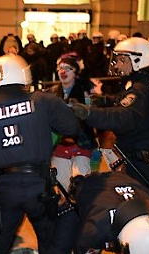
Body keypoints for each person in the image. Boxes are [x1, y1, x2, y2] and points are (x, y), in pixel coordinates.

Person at [0, 54, 81, 254]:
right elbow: (72, 127)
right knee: (49, 243)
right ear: (23, 74)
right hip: (38, 186)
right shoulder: (43, 100)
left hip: (4, 189)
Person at [71, 37, 149, 206]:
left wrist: (88, 113)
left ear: (138, 61)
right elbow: (138, 107)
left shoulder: (141, 89)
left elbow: (124, 117)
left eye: (122, 60)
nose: (117, 65)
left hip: (144, 162)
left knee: (139, 207)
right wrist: (106, 101)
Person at [50, 52, 98, 191]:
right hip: (60, 143)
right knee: (61, 185)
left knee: (81, 182)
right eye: (60, 68)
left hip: (82, 142)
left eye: (67, 68)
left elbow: (94, 116)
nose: (63, 71)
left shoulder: (86, 92)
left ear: (75, 72)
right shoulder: (53, 93)